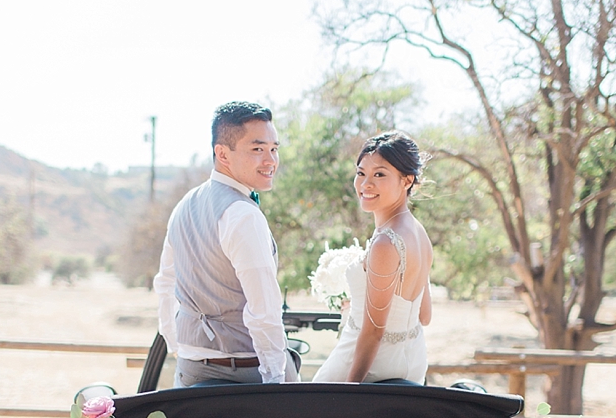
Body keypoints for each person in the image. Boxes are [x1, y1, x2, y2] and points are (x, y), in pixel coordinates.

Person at [154, 101, 298, 386]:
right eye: (257, 149)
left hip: (190, 371)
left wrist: (177, 345)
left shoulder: (184, 204)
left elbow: (164, 283)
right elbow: (264, 311)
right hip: (244, 372)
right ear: (222, 154)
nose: (270, 160)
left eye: (274, 148)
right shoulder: (243, 215)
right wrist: (275, 380)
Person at [312, 131, 432, 384]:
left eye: (379, 174)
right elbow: (424, 316)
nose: (366, 184)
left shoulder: (386, 243)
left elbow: (375, 331)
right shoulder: (419, 233)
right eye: (361, 173)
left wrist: (350, 391)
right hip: (413, 362)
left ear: (407, 180)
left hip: (371, 365)